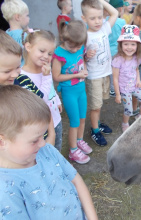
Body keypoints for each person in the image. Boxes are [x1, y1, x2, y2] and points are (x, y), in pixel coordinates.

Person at [0, 85, 98, 220]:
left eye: (43, 136)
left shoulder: (46, 151)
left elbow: (77, 181)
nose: (43, 143)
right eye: (34, 140)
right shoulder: (3, 189)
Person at [0, 28, 55, 219]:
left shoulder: (20, 79)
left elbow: (39, 104)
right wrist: (4, 150)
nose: (15, 74)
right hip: (9, 153)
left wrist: (50, 133)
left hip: (29, 145)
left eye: (18, 66)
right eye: (7, 70)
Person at [52, 20, 93, 164]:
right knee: (74, 122)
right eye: (71, 46)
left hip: (81, 89)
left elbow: (82, 61)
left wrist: (86, 66)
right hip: (69, 92)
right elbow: (56, 76)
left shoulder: (79, 47)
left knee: (82, 118)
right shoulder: (59, 53)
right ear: (64, 39)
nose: (75, 50)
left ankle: (79, 140)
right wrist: (77, 75)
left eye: (79, 46)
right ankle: (73, 150)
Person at [81, 0, 118, 146]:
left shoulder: (104, 28)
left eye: (100, 17)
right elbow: (80, 57)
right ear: (84, 19)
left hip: (105, 73)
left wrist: (100, 2)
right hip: (93, 76)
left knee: (100, 102)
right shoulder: (84, 36)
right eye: (92, 18)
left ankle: (97, 122)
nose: (97, 21)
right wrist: (86, 56)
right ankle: (95, 130)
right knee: (95, 106)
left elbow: (115, 13)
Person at [21, 29, 63, 152]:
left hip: (56, 120)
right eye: (42, 51)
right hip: (42, 127)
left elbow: (50, 88)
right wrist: (46, 77)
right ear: (28, 47)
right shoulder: (23, 77)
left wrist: (57, 100)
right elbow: (39, 101)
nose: (46, 56)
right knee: (46, 154)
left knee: (56, 151)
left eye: (50, 54)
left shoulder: (43, 70)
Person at [112, 25, 141, 132]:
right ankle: (125, 123)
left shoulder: (136, 57)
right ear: (121, 45)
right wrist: (118, 94)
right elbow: (115, 78)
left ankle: (140, 117)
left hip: (135, 86)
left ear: (138, 45)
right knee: (128, 110)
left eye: (133, 44)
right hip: (124, 90)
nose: (129, 47)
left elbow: (136, 69)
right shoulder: (118, 60)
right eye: (126, 44)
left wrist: (138, 80)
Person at [1, 0, 30, 66]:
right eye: (27, 15)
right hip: (22, 71)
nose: (29, 18)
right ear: (18, 17)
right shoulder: (24, 37)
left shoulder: (5, 35)